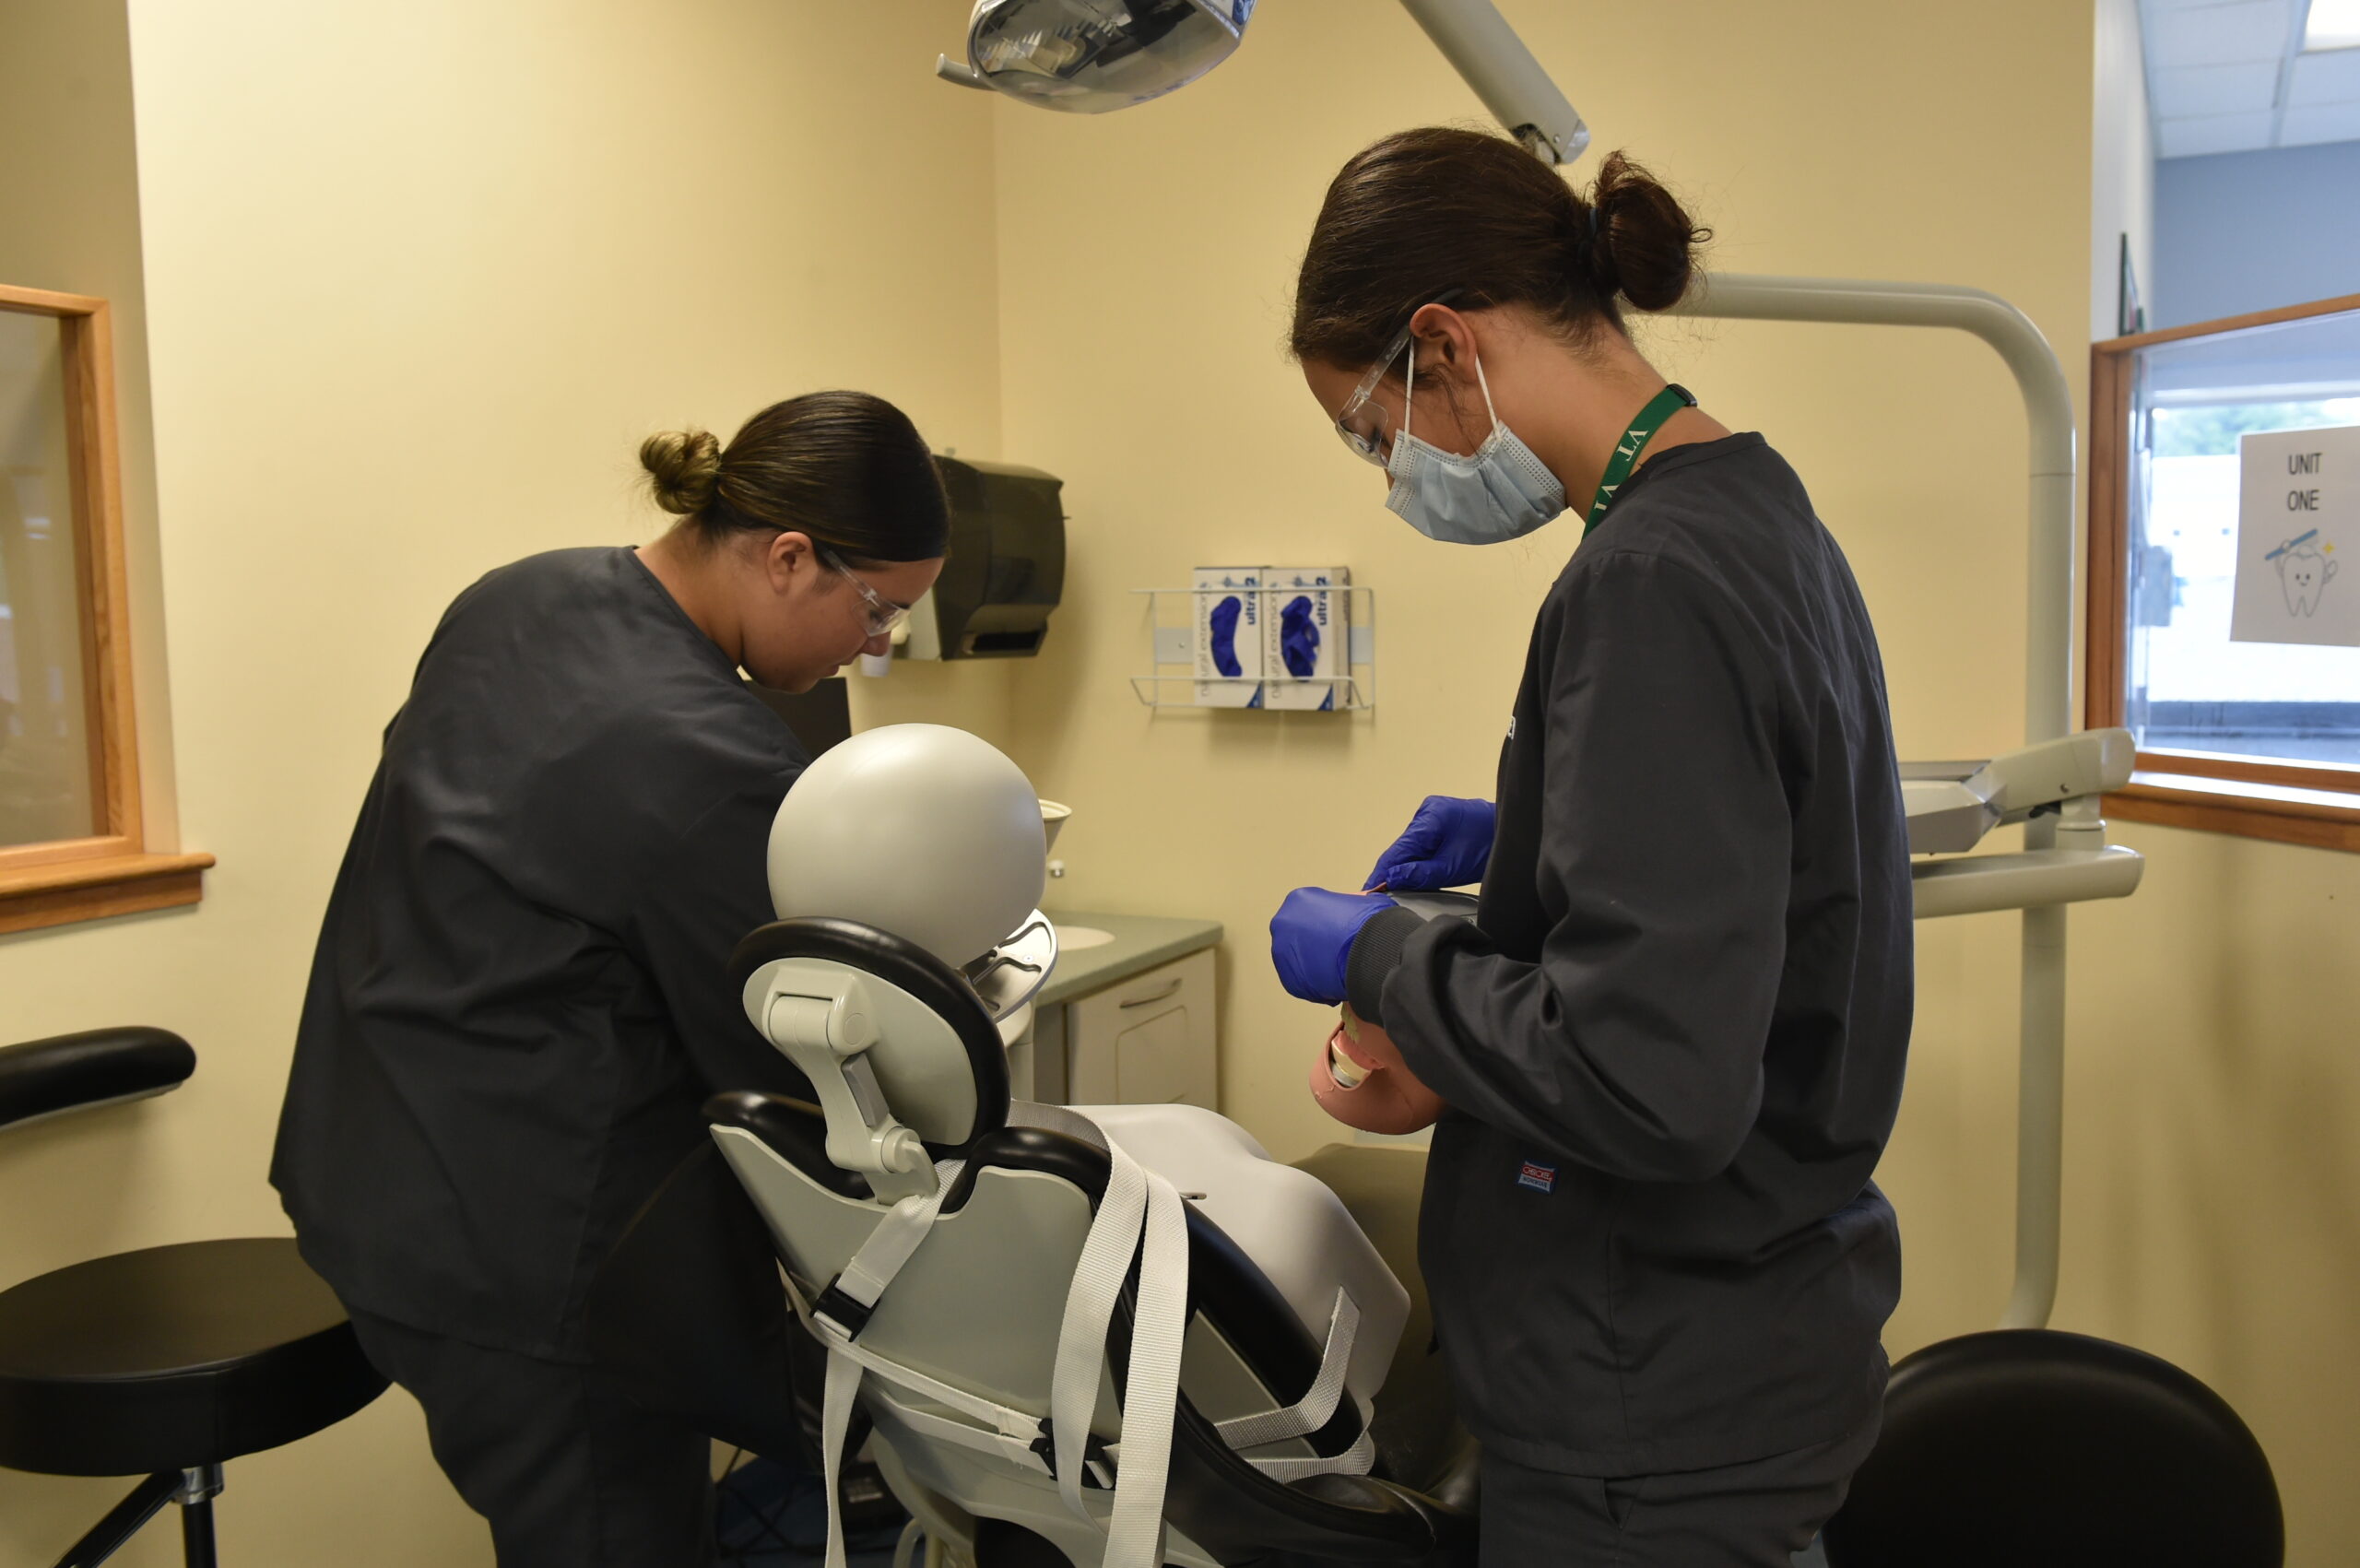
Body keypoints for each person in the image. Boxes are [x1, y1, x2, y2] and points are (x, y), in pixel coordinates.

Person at [1268, 127, 1913, 1565]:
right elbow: (1780, 840)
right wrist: (1543, 836)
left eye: (1372, 431)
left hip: (1652, 1406)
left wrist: (1379, 953)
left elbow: (1650, 1078)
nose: (1393, 475)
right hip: (1743, 1353)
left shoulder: (1648, 579)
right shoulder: (1754, 509)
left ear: (1442, 344)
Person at [272, 391, 948, 1567]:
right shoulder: (710, 758)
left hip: (368, 1174)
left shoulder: (517, 595)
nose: (877, 643)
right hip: (530, 1268)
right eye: (879, 607)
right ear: (789, 557)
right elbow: (784, 1062)